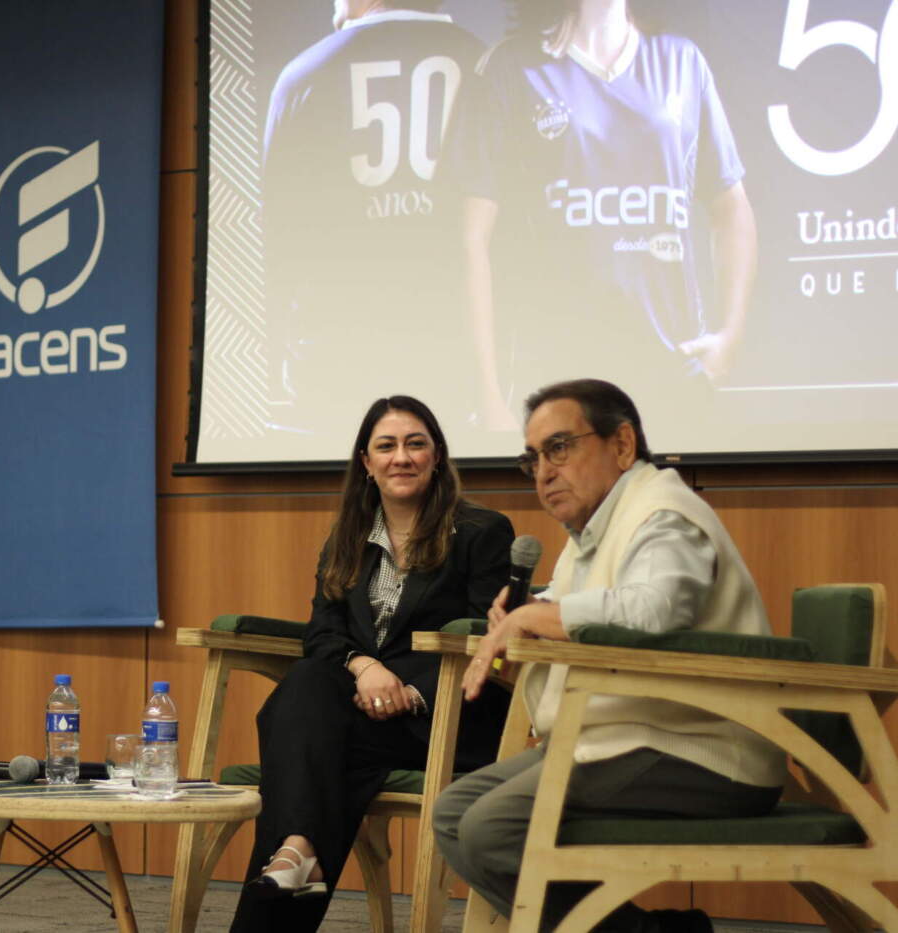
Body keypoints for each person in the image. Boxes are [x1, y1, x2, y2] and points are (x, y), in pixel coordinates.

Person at [433, 378, 784, 933]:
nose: (544, 471)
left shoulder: (663, 511)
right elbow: (587, 601)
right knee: (454, 815)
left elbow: (654, 608)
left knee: (490, 829)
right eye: (533, 458)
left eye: (559, 448)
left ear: (622, 445)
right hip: (626, 736)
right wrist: (530, 614)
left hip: (703, 749)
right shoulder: (593, 531)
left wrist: (534, 617)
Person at [230, 395, 513, 931]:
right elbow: (323, 632)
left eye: (415, 444)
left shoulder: (481, 531)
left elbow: (487, 632)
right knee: (315, 689)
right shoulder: (346, 538)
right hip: (361, 712)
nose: (400, 457)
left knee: (303, 734)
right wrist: (365, 668)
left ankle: (295, 849)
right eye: (386, 446)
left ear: (436, 456)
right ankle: (298, 850)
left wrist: (408, 690)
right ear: (366, 462)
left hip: (446, 715)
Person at [449, 0, 756, 431]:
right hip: (557, 382)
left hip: (671, 376)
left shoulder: (681, 60)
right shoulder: (511, 67)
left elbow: (731, 208)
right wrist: (489, 394)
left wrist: (729, 338)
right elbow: (471, 242)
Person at [260, 1, 484, 441]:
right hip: (458, 367)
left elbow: (275, 245)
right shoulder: (491, 65)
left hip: (329, 372)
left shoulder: (303, 73)